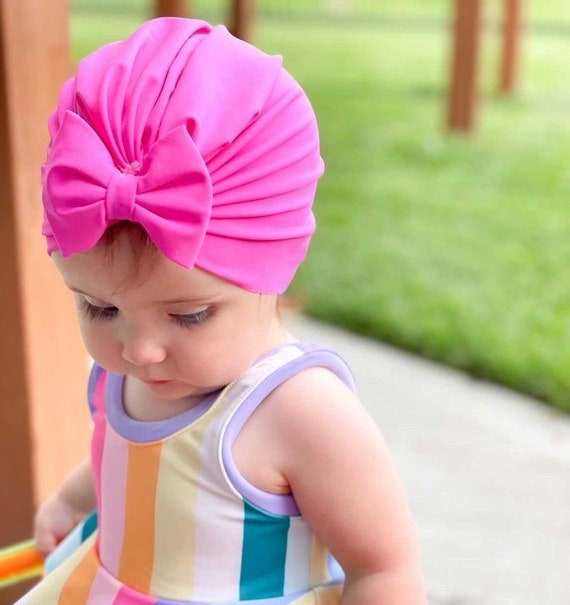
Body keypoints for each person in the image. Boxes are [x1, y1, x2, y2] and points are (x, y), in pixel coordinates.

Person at [17, 17, 426, 605]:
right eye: (99, 308)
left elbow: (385, 568)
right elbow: (125, 459)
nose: (139, 349)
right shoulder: (126, 367)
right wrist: (75, 502)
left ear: (272, 272)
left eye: (188, 316)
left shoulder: (301, 413)